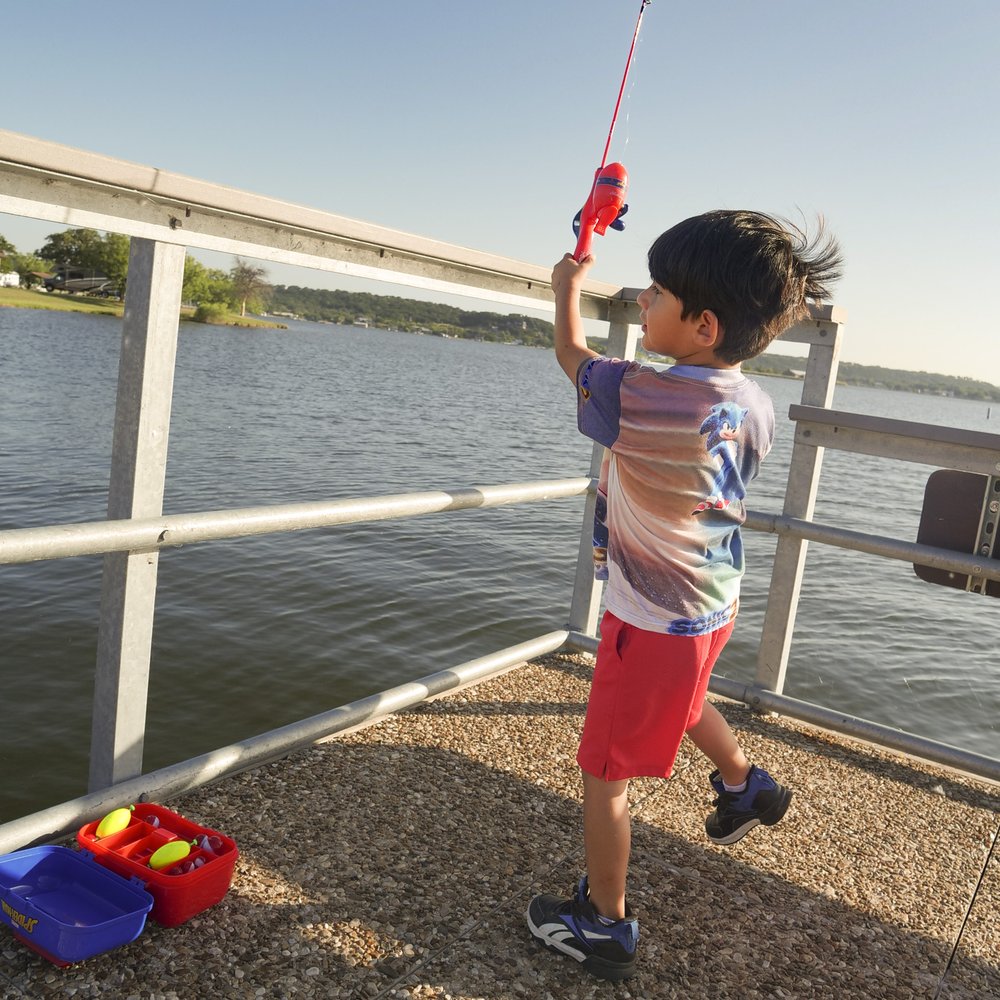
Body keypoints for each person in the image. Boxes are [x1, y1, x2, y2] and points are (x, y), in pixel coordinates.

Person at [526, 210, 843, 982]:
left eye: (657, 291)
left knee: (605, 773)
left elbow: (572, 353)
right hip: (712, 601)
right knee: (690, 693)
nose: (641, 298)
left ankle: (604, 923)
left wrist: (567, 286)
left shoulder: (638, 394)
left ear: (703, 325)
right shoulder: (756, 405)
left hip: (650, 620)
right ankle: (744, 784)